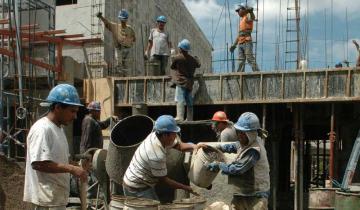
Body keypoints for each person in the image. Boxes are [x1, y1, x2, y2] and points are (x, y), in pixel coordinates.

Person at [23, 84, 88, 209]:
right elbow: (39, 164)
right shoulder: (42, 129)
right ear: (58, 107)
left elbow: (60, 160)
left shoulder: (58, 129)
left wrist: (77, 166)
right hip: (45, 202)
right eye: (72, 111)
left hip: (56, 199)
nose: (75, 116)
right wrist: (71, 169)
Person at [123, 115, 204, 200]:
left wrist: (195, 146)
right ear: (165, 135)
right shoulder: (156, 154)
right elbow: (165, 180)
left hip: (141, 181)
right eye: (174, 133)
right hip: (136, 187)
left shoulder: (157, 135)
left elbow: (179, 146)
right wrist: (187, 188)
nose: (175, 136)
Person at [207, 112, 270, 210]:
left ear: (251, 133)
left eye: (243, 133)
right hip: (243, 193)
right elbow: (233, 146)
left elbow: (238, 169)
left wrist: (219, 165)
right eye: (239, 131)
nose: (240, 135)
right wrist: (216, 147)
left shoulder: (254, 150)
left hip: (256, 196)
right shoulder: (246, 142)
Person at [97, 9, 136, 76]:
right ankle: (120, 78)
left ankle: (126, 78)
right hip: (119, 49)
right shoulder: (115, 26)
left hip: (127, 49)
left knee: (127, 66)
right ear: (120, 19)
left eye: (124, 20)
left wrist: (128, 41)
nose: (123, 21)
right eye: (122, 20)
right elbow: (107, 23)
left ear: (126, 19)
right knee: (119, 65)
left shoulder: (130, 29)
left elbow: (134, 39)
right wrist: (101, 17)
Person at [170, 39, 201, 121]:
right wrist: (196, 58)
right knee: (189, 101)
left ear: (181, 49)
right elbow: (198, 64)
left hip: (181, 82)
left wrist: (172, 57)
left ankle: (180, 117)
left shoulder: (178, 58)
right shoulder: (192, 59)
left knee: (179, 99)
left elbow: (172, 67)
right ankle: (190, 118)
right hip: (189, 83)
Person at [230, 4, 259, 72]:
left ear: (243, 10)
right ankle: (239, 74)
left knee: (249, 58)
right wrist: (234, 45)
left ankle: (257, 72)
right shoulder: (241, 20)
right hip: (240, 42)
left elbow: (253, 18)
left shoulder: (247, 16)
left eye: (238, 11)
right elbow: (239, 35)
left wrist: (251, 11)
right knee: (240, 61)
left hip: (247, 41)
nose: (238, 13)